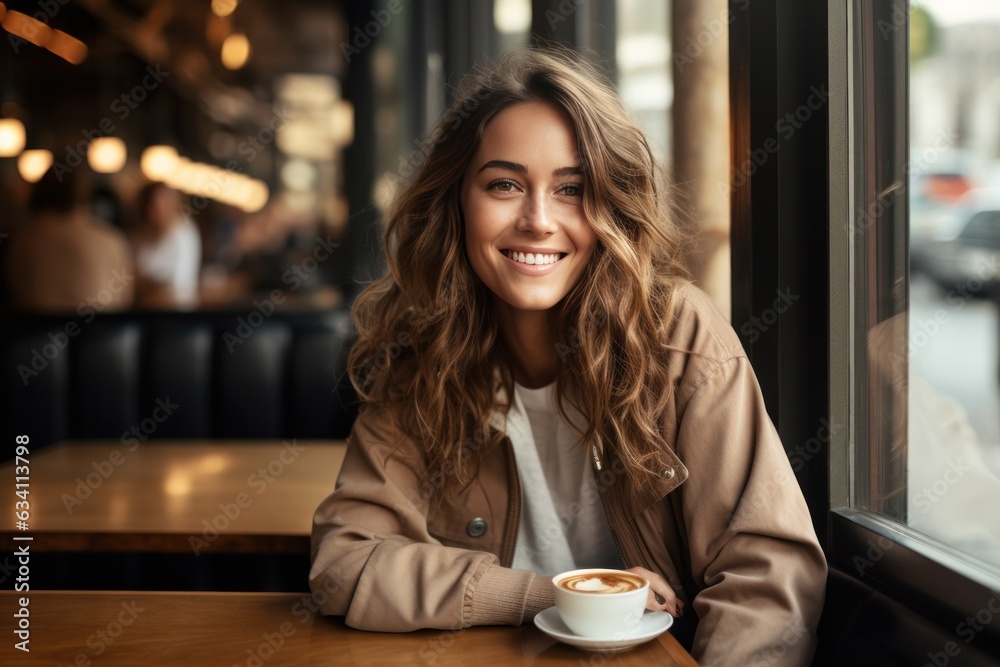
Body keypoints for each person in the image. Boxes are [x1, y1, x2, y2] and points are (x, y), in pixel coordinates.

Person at [310, 47, 826, 666]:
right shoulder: (423, 356)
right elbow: (345, 564)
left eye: (572, 189)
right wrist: (540, 596)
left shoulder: (677, 336)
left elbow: (766, 581)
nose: (537, 220)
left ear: (611, 205)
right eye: (504, 185)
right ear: (457, 202)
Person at [5, 167, 134, 313]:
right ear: (86, 195)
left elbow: (16, 295)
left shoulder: (23, 239)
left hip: (37, 332)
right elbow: (125, 301)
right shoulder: (112, 239)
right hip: (103, 333)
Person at [132, 181, 201, 310]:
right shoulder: (142, 236)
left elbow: (177, 288)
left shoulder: (184, 232)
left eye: (161, 203)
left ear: (173, 204)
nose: (154, 210)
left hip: (174, 316)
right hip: (144, 314)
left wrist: (144, 284)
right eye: (151, 204)